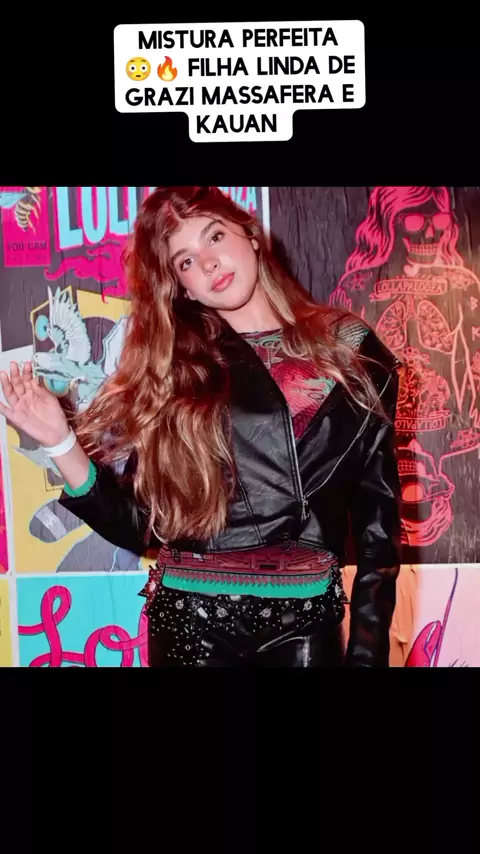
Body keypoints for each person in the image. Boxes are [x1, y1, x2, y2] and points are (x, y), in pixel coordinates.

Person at [0, 186, 402, 668]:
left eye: (215, 237)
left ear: (251, 235)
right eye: (186, 261)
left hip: (305, 622)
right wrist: (59, 440)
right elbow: (139, 526)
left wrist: (367, 655)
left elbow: (379, 530)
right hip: (190, 623)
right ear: (183, 287)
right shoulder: (177, 370)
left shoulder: (350, 348)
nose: (209, 263)